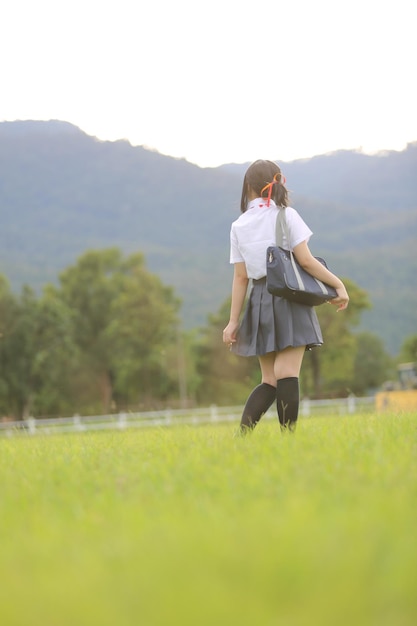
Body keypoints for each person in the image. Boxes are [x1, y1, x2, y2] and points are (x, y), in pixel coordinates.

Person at [222, 160, 349, 434]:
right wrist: (338, 284)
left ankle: (241, 438)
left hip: (259, 300)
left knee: (269, 379)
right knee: (287, 374)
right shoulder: (286, 215)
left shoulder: (238, 225)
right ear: (278, 183)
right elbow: (305, 261)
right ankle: (288, 441)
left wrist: (233, 321)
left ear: (248, 187)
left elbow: (241, 277)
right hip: (289, 297)